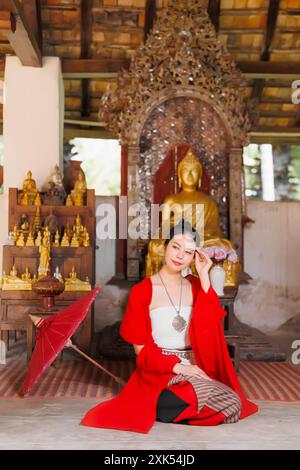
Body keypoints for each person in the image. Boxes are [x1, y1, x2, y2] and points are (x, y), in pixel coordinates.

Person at [81, 220, 258, 433]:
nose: (180, 256)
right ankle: (160, 403)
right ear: (165, 246)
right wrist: (180, 368)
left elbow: (213, 325)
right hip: (161, 371)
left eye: (189, 252)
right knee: (221, 401)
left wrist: (204, 276)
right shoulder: (142, 291)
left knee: (233, 402)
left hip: (195, 368)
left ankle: (161, 407)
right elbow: (142, 352)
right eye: (175, 247)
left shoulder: (195, 284)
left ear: (195, 257)